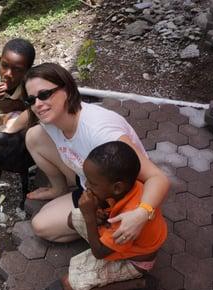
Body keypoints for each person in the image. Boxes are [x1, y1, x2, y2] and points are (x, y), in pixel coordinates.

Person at [15, 141, 167, 290]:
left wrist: (90, 216)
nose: (86, 186)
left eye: (92, 183)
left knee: (71, 287)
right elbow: (92, 212)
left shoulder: (126, 220)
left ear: (116, 187)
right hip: (119, 240)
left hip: (134, 260)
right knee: (74, 217)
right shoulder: (127, 188)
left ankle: (140, 283)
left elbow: (100, 253)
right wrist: (98, 210)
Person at [23, 62, 170, 243]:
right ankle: (59, 189)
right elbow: (26, 117)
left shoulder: (101, 132)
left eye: (44, 95)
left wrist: (142, 213)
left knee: (41, 226)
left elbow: (158, 177)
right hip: (89, 177)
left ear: (67, 90)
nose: (38, 104)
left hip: (112, 193)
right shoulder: (52, 118)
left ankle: (108, 227)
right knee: (33, 136)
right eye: (31, 100)